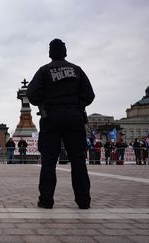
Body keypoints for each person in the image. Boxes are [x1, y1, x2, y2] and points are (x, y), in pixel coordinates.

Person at [27, 38, 95, 209]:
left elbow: (32, 94)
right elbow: (89, 94)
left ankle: (46, 200)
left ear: (50, 53)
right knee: (78, 160)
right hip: (74, 116)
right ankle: (84, 201)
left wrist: (45, 103)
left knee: (49, 161)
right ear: (65, 52)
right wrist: (78, 105)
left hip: (51, 117)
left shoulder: (44, 71)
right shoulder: (76, 70)